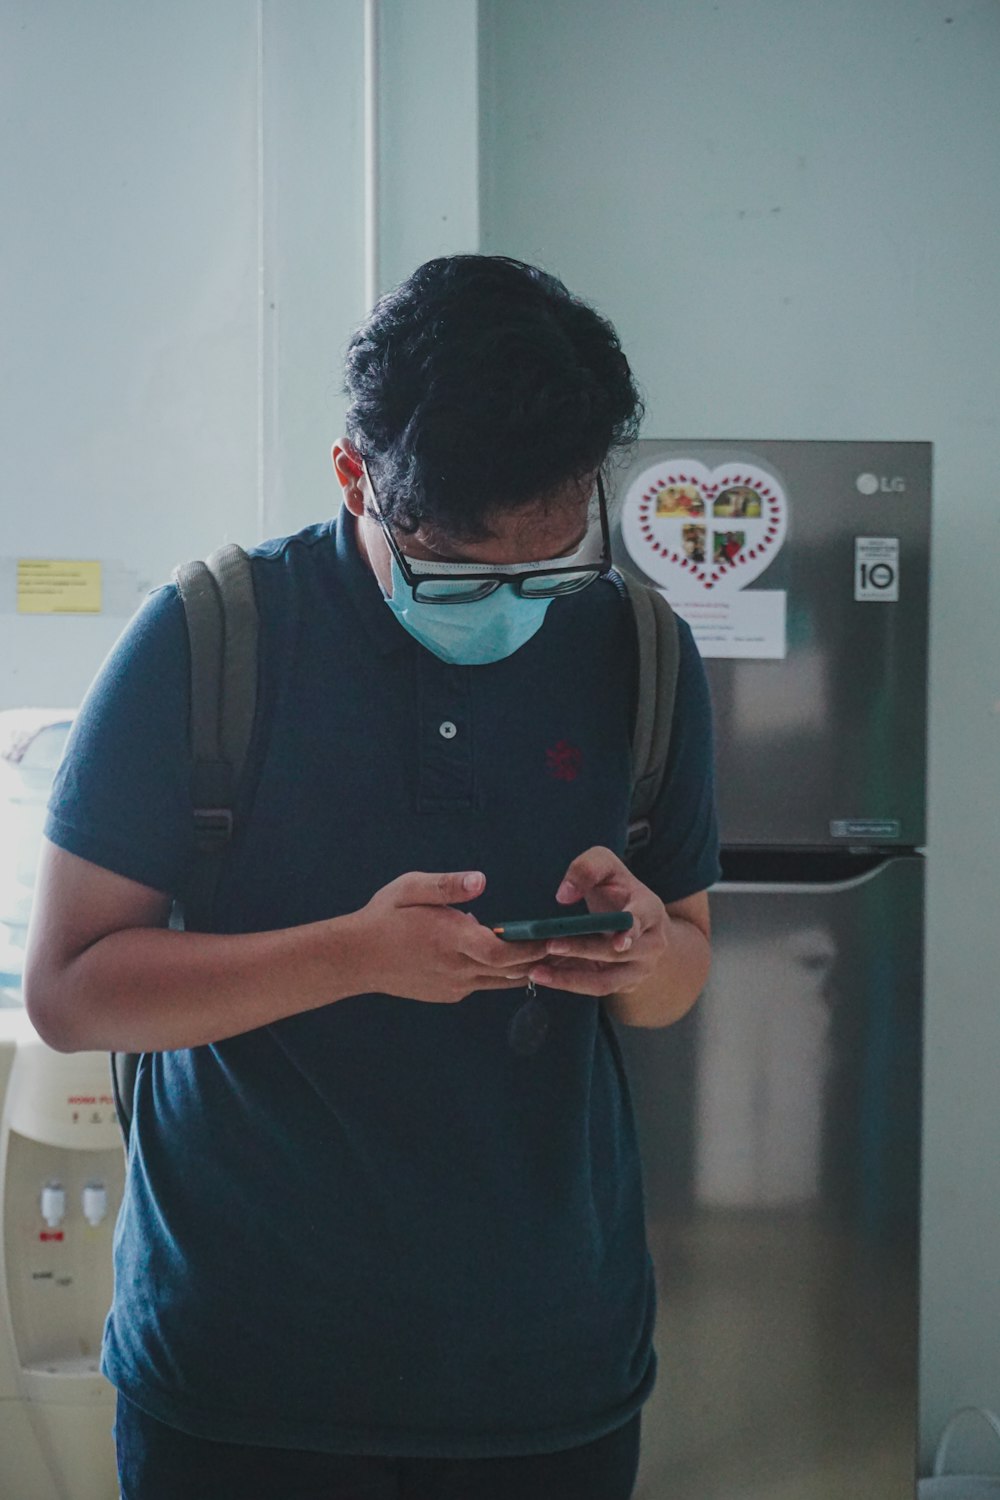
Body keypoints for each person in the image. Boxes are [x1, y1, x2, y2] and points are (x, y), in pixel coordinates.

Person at [23, 255, 720, 1500]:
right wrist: (351, 956)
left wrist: (646, 950)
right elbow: (73, 991)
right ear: (355, 476)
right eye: (462, 572)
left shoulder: (637, 648)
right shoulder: (212, 637)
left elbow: (678, 981)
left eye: (549, 564)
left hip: (548, 1371)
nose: (511, 605)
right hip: (246, 1376)